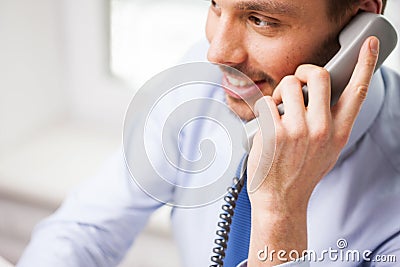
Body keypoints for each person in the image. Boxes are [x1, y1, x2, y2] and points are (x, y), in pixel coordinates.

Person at [18, 0, 400, 266]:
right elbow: (88, 227)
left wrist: (279, 215)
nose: (217, 52)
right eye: (216, 4)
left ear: (358, 26)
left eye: (260, 19)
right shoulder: (210, 83)